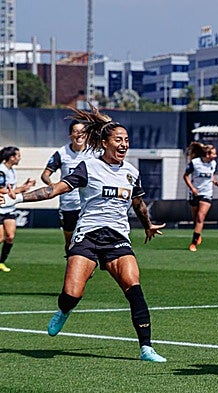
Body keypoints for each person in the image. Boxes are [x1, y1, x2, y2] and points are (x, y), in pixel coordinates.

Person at [0, 105, 167, 362]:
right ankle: (63, 311)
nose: (124, 144)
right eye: (118, 140)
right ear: (104, 143)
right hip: (88, 236)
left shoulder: (131, 172)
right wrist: (17, 199)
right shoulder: (87, 167)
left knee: (134, 288)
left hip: (118, 239)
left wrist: (147, 224)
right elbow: (54, 189)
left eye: (126, 140)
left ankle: (146, 348)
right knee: (72, 294)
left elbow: (138, 203)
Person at [41, 120, 98, 255]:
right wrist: (53, 186)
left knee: (87, 236)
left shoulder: (94, 152)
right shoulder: (62, 153)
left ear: (87, 135)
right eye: (75, 132)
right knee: (70, 240)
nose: (79, 135)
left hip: (87, 203)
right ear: (70, 135)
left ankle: (86, 263)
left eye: (82, 132)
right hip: (68, 204)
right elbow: (45, 175)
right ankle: (71, 261)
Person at [0, 147, 36, 272]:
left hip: (9, 207)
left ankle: (1, 262)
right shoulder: (1, 170)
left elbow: (11, 190)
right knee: (0, 238)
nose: (19, 158)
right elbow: (2, 189)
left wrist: (25, 186)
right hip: (0, 208)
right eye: (18, 156)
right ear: (11, 157)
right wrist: (19, 190)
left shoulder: (11, 170)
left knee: (10, 236)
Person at [183, 142, 218, 252]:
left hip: (207, 193)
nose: (215, 156)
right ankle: (198, 234)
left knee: (200, 217)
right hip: (195, 193)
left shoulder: (213, 163)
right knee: (195, 219)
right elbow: (185, 176)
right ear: (207, 154)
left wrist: (214, 181)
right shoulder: (195, 163)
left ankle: (193, 243)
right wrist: (192, 188)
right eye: (214, 154)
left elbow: (211, 174)